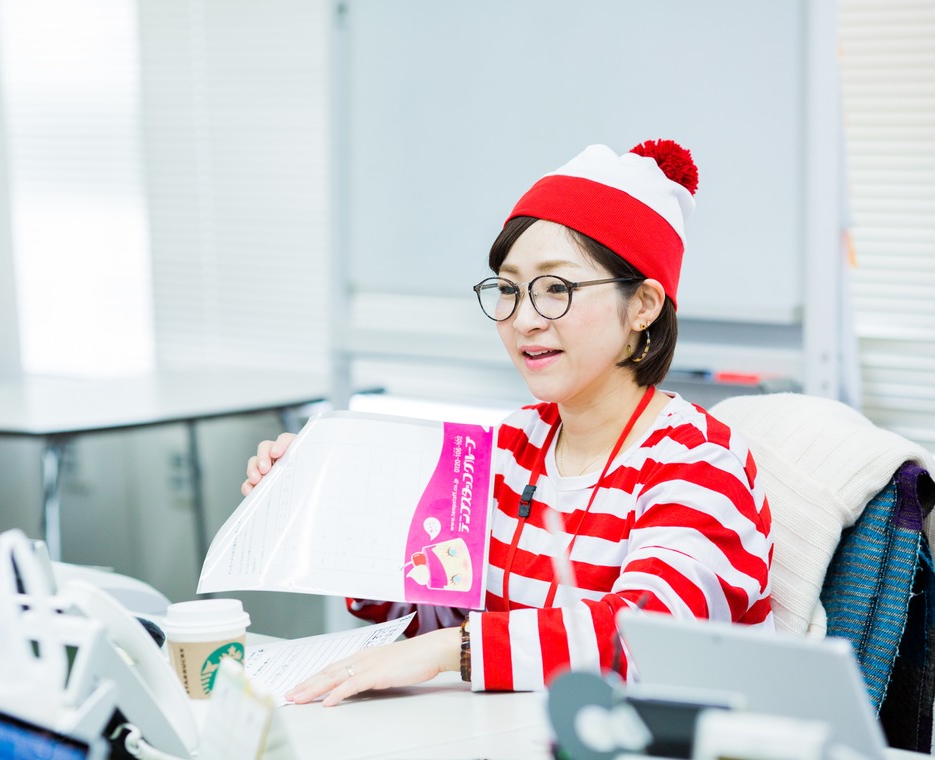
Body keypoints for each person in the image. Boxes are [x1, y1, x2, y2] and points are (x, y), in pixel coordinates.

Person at [241, 139, 773, 707]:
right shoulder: (512, 444)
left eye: (555, 290)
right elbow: (433, 614)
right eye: (509, 289)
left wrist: (455, 649)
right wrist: (329, 517)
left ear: (643, 305)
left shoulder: (699, 461)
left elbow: (649, 643)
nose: (522, 320)